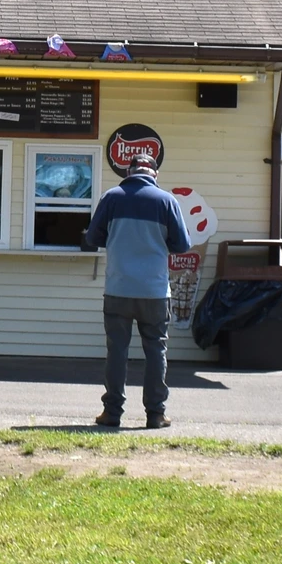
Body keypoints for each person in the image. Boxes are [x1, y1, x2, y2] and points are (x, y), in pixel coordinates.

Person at [83, 152, 190, 429]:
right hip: (154, 291)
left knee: (117, 351)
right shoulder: (166, 201)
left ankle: (112, 413)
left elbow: (92, 238)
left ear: (128, 172)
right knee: (156, 350)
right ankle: (155, 414)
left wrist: (117, 237)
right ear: (155, 174)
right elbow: (182, 244)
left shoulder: (111, 198)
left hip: (118, 288)